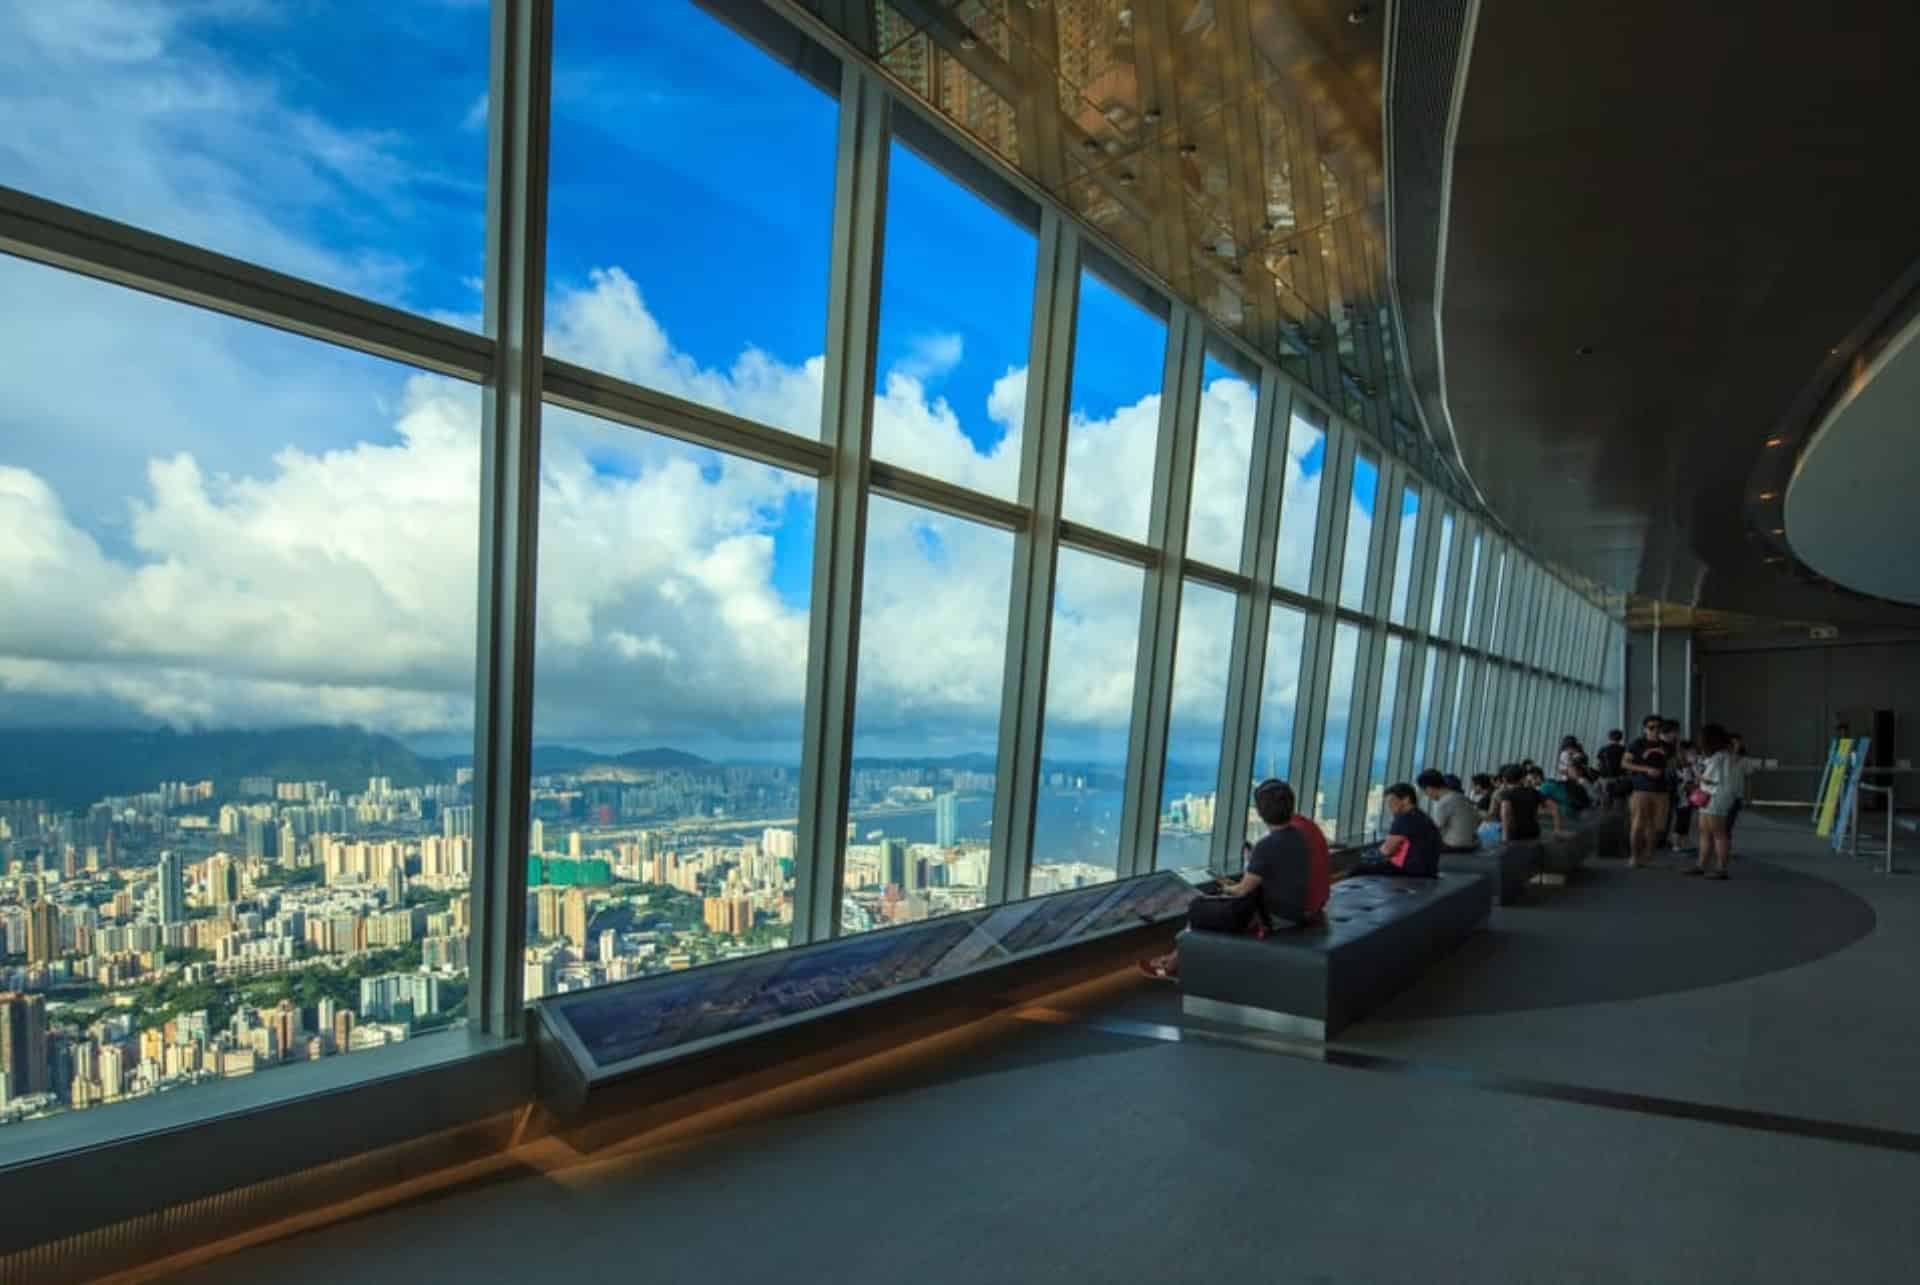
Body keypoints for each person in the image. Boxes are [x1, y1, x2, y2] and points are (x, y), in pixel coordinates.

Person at [1140, 779, 1324, 979]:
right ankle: (1176, 960)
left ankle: (1173, 965)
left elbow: (1242, 890)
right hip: (1294, 912)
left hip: (1274, 918)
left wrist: (1225, 888)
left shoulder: (1266, 845)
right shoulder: (1298, 837)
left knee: (1198, 909)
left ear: (1261, 812)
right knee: (1208, 910)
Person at [1688, 724, 1745, 880]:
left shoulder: (1719, 757)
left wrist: (1695, 771)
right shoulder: (1721, 755)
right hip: (1713, 796)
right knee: (1707, 832)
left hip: (1715, 797)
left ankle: (1720, 868)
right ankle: (1702, 865)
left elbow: (1709, 778)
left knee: (1717, 833)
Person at [1352, 783, 1442, 877]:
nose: (1389, 805)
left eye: (1391, 801)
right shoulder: (1422, 816)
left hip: (1411, 872)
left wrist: (1365, 855)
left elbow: (1386, 850)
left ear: (1406, 800)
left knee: (1357, 869)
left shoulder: (1405, 818)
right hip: (1429, 870)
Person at [1623, 714, 1671, 868]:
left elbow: (1673, 764)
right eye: (1651, 727)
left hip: (1662, 790)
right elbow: (1624, 763)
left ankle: (1648, 855)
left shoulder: (1667, 746)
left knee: (1656, 826)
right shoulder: (1637, 744)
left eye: (1658, 728)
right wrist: (1646, 769)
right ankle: (1634, 857)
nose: (1655, 731)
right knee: (1637, 825)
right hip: (1641, 789)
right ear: (1645, 729)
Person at [1418, 769, 1481, 852]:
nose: (1427, 795)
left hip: (1454, 846)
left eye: (1425, 792)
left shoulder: (1444, 802)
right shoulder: (1460, 797)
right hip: (1471, 843)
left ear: (1429, 788)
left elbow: (1434, 830)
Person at [1500, 763, 1560, 841]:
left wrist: (1504, 836)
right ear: (1522, 779)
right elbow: (1555, 807)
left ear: (1505, 779)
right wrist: (1557, 830)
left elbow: (1505, 812)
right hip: (1533, 832)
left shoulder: (1506, 794)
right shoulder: (1533, 792)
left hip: (1515, 834)